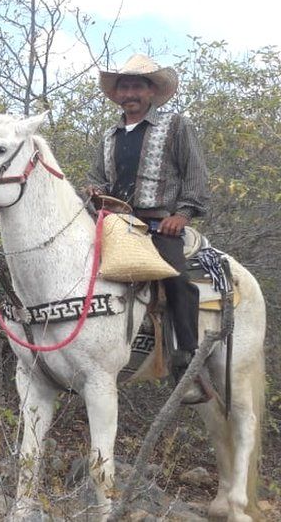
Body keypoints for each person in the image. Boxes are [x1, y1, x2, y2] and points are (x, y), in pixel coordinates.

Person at [87, 54, 211, 404]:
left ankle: (187, 363)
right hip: (116, 222)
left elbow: (196, 176)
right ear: (117, 94)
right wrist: (94, 190)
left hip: (159, 225)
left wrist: (183, 215)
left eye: (137, 85)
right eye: (124, 86)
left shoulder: (176, 126)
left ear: (151, 91)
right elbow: (97, 176)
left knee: (177, 281)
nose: (130, 92)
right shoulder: (109, 136)